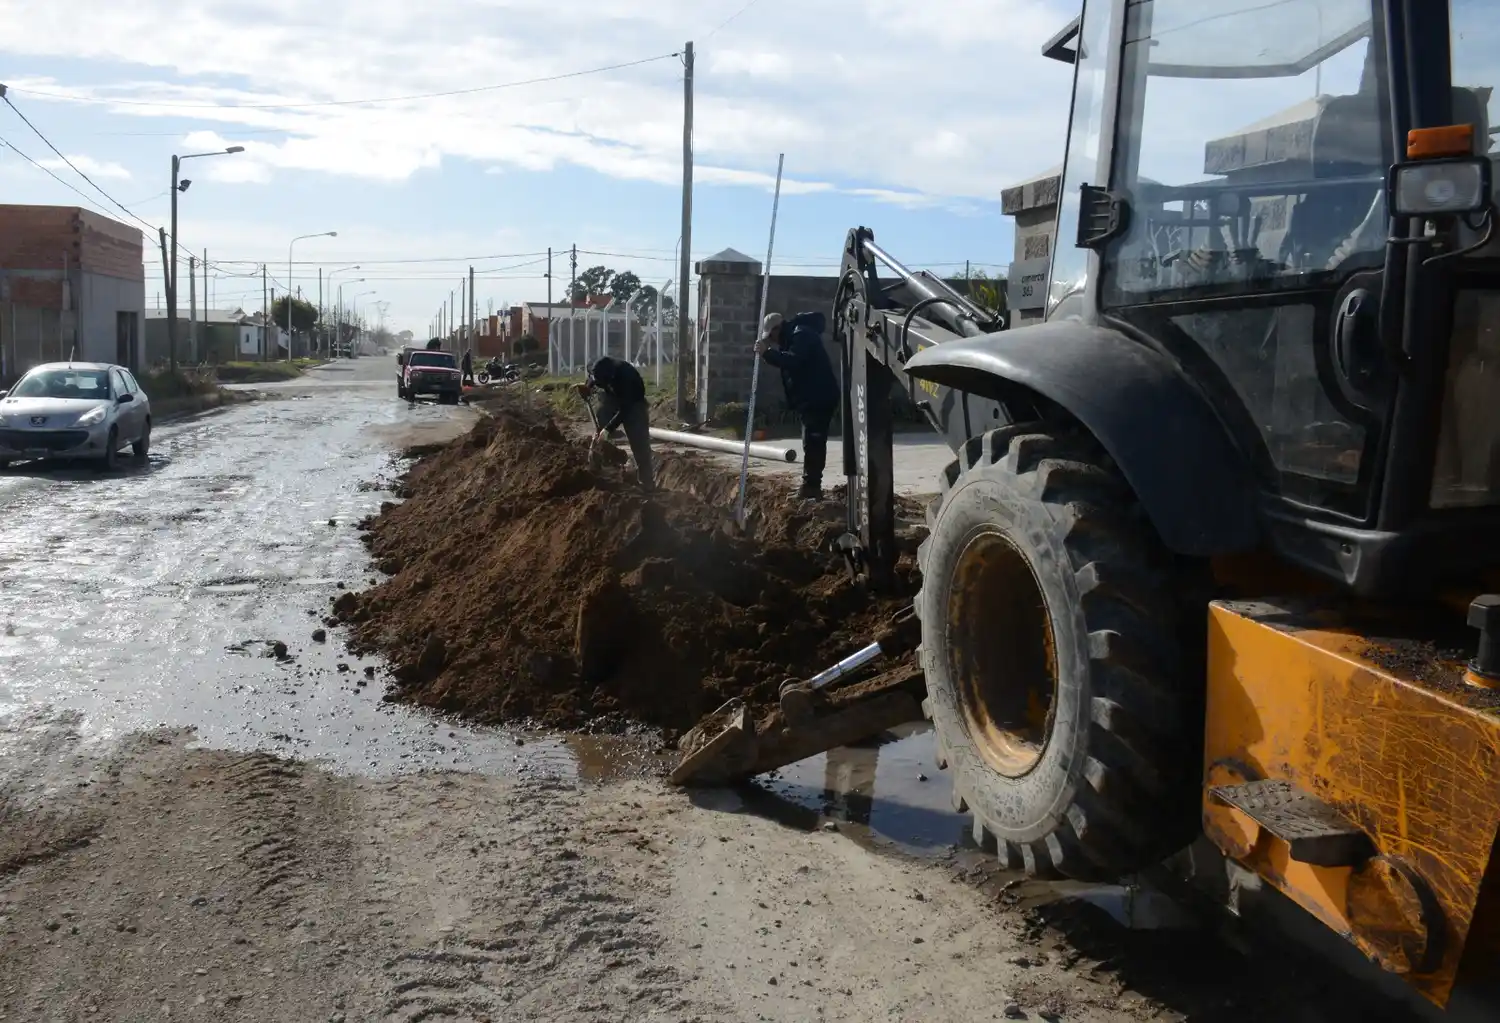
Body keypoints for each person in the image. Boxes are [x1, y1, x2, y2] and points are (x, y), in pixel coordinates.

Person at [756, 311, 839, 500]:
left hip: (819, 397)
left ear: (778, 329)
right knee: (810, 442)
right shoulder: (794, 336)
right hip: (812, 397)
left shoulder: (800, 335)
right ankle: (810, 485)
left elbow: (793, 361)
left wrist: (767, 354)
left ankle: (812, 487)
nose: (772, 341)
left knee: (814, 442)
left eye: (771, 336)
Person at [575, 355, 654, 491]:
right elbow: (592, 378)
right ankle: (599, 459)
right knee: (602, 411)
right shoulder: (598, 368)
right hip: (614, 398)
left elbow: (626, 409)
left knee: (640, 446)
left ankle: (647, 484)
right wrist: (587, 387)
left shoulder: (627, 378)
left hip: (634, 405)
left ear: (610, 378)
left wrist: (608, 429)